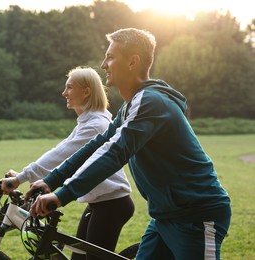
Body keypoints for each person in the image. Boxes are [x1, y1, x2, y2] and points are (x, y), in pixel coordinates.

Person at [27, 28, 231, 260]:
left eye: (111, 57)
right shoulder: (130, 107)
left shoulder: (151, 102)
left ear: (133, 62)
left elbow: (115, 153)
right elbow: (97, 145)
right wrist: (51, 181)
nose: (104, 64)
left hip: (197, 216)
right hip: (165, 217)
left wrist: (63, 195)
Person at [1, 66, 134, 260]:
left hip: (111, 205)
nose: (64, 93)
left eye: (69, 87)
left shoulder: (96, 125)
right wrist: (29, 178)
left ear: (86, 91)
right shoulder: (87, 122)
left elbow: (59, 155)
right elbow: (63, 155)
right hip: (99, 204)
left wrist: (21, 178)